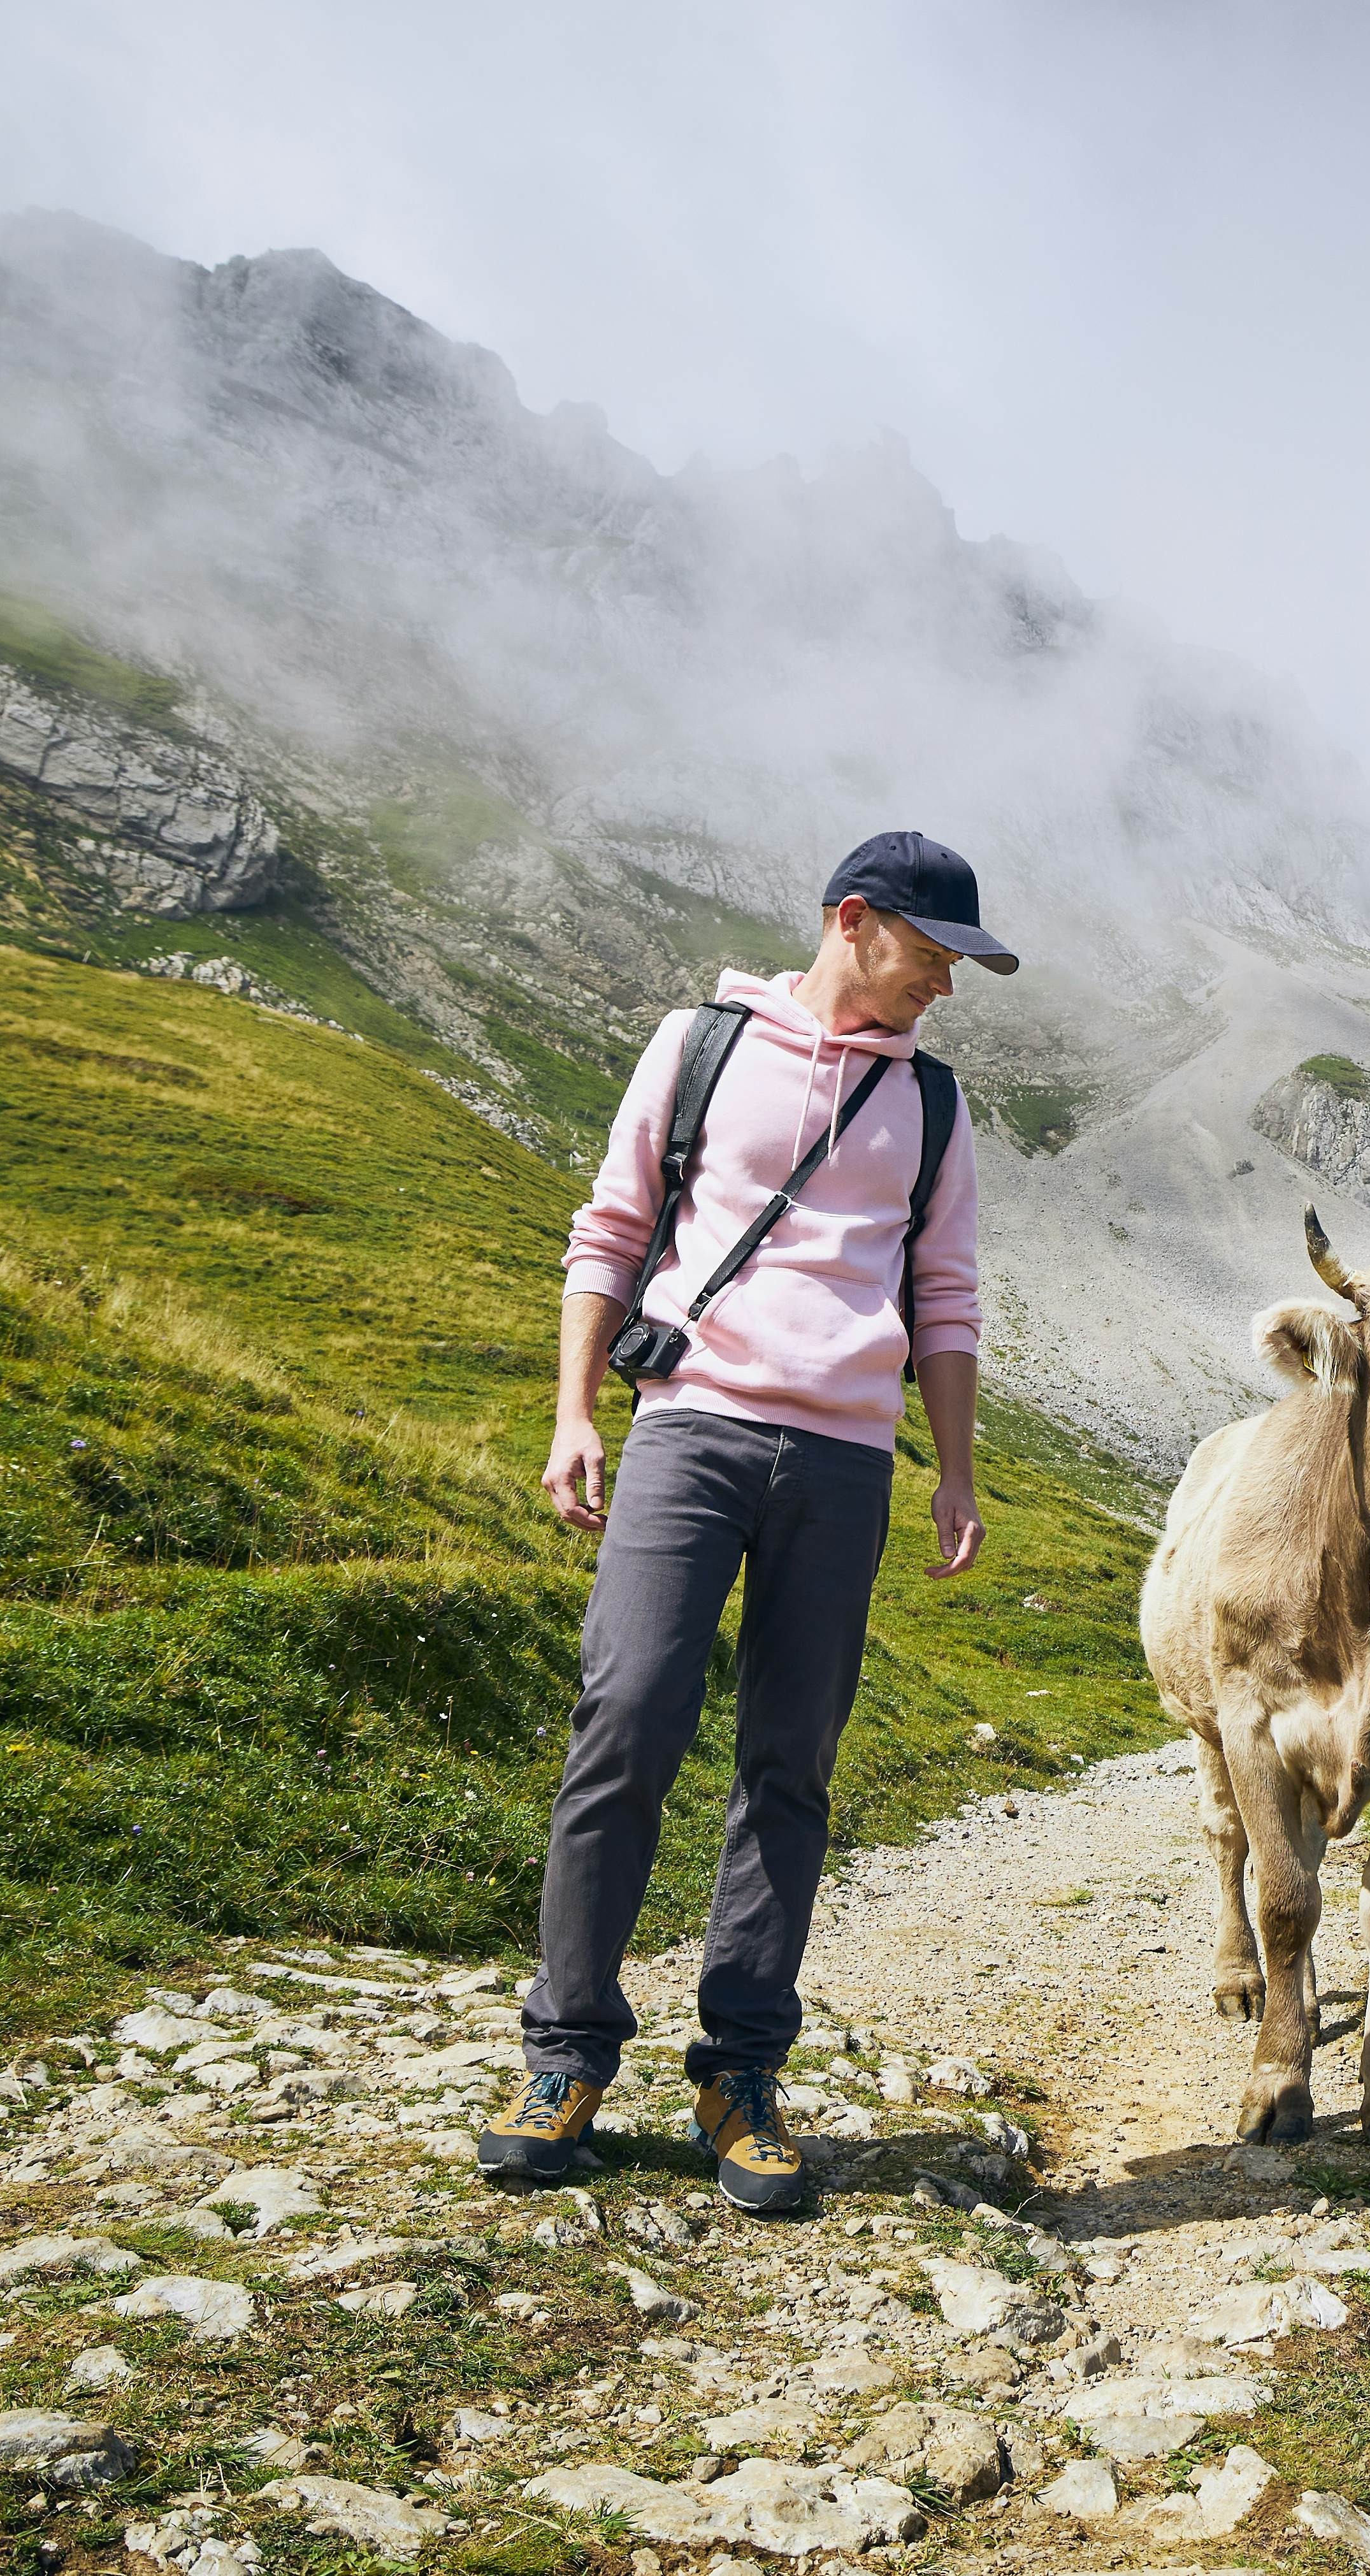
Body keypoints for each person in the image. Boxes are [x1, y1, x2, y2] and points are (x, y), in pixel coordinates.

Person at [479, 830, 1014, 2210]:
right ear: (855, 920)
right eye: (935, 955)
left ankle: (740, 2071)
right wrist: (574, 1411)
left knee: (791, 1765)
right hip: (692, 1430)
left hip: (842, 1461)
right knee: (627, 1718)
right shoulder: (701, 1044)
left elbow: (943, 1297)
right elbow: (611, 1225)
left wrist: (951, 1468)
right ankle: (566, 2054)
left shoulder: (934, 1110)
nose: (947, 987)